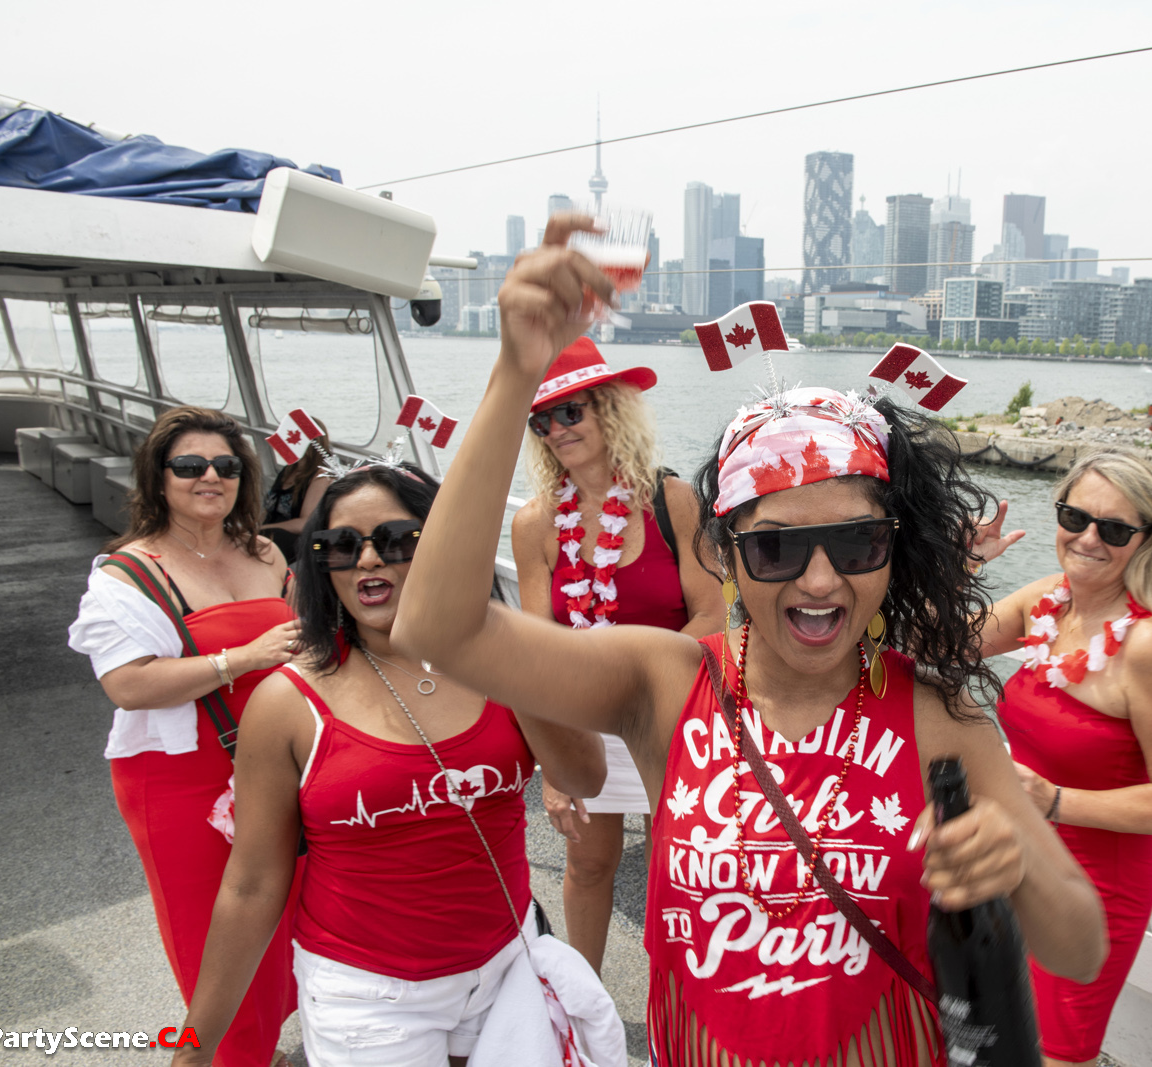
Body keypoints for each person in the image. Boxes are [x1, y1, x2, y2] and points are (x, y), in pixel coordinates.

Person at [393, 214, 1108, 1066]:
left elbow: (1080, 949)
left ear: (894, 552)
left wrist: (1016, 867)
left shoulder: (938, 720)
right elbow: (438, 626)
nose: (819, 580)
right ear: (726, 556)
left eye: (856, 543)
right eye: (776, 549)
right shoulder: (665, 684)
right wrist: (516, 374)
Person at [170, 462, 611, 1067]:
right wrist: (194, 1049)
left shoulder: (503, 661)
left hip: (507, 966)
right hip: (369, 998)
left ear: (443, 546)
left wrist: (504, 655)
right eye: (341, 545)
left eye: (397, 539)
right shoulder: (286, 704)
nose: (369, 559)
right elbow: (251, 886)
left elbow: (585, 778)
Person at [67, 405, 302, 1067]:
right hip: (179, 778)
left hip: (275, 766)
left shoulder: (264, 552)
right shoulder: (129, 573)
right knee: (212, 933)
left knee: (286, 913)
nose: (210, 477)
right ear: (158, 477)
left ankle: (268, 1042)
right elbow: (129, 683)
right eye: (190, 465)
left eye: (226, 465)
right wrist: (243, 659)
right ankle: (230, 1055)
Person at [979, 450, 1152, 1067]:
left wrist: (1053, 800)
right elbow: (940, 640)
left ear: (1146, 539)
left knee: (1056, 1052)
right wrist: (963, 562)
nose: (1088, 539)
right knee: (998, 1035)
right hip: (1016, 860)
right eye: (1075, 517)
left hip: (1095, 883)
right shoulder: (1048, 602)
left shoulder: (1151, 645)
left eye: (1113, 529)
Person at [509, 336, 724, 974]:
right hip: (583, 718)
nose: (556, 430)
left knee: (679, 865)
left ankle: (678, 998)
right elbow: (534, 651)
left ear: (611, 409)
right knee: (588, 863)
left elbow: (713, 614)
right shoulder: (535, 523)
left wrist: (635, 673)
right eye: (541, 421)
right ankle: (585, 1002)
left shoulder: (674, 501)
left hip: (670, 712)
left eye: (570, 412)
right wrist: (553, 764)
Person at [261, 416, 333, 562]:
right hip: (269, 532)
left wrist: (265, 528)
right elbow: (268, 509)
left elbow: (305, 523)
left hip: (292, 541)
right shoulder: (288, 470)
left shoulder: (321, 476)